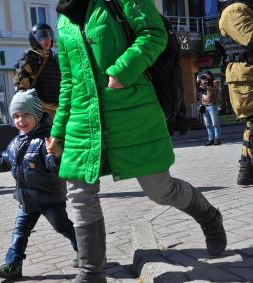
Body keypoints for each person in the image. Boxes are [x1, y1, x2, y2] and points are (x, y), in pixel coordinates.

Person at [48, 1, 227, 282]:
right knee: (80, 195)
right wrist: (57, 131)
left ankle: (209, 217)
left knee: (161, 191)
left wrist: (123, 70)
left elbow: (155, 33)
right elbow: (68, 81)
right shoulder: (63, 19)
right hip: (82, 120)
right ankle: (91, 273)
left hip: (133, 112)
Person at [0, 90, 78, 280]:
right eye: (16, 116)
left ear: (37, 115)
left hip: (50, 199)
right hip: (26, 200)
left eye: (25, 115)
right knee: (20, 232)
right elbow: (5, 159)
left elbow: (56, 170)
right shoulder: (16, 141)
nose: (21, 120)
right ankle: (13, 264)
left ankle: (83, 250)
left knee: (63, 227)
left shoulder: (45, 141)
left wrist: (55, 155)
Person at [218, 0, 253, 185]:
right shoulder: (235, 10)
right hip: (246, 78)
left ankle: (246, 172)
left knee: (252, 126)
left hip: (247, 75)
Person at [14, 24, 60, 117]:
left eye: (49, 36)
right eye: (42, 37)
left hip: (58, 110)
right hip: (38, 110)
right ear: (34, 40)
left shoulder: (54, 59)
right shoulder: (28, 59)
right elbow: (21, 90)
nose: (47, 40)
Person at [196, 71, 222, 146]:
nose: (205, 77)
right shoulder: (202, 83)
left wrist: (206, 84)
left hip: (212, 105)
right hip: (204, 106)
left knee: (215, 123)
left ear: (210, 75)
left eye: (207, 75)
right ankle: (211, 139)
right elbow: (198, 92)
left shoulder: (215, 82)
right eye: (204, 76)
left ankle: (217, 139)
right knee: (207, 124)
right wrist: (197, 82)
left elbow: (213, 91)